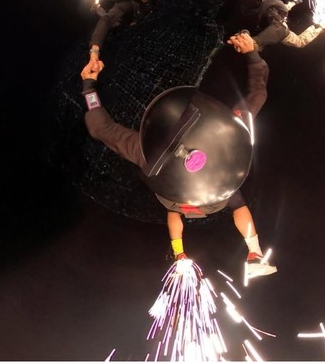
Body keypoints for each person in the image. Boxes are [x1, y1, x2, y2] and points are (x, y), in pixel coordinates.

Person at [80, 31, 276, 277]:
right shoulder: (233, 126)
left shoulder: (144, 151)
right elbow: (258, 93)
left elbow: (100, 128)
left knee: (174, 209)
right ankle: (254, 254)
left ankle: (179, 255)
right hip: (214, 196)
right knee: (236, 202)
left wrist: (89, 87)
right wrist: (252, 54)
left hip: (178, 196)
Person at [88, 0, 216, 73]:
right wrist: (94, 53)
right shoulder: (126, 4)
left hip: (139, 7)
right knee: (113, 23)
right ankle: (97, 7)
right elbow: (106, 21)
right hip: (125, 20)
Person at [214, 0, 325, 51]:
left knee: (299, 42)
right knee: (282, 8)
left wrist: (256, 42)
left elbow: (279, 28)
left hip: (276, 18)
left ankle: (319, 28)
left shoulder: (270, 10)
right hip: (273, 9)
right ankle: (291, 3)